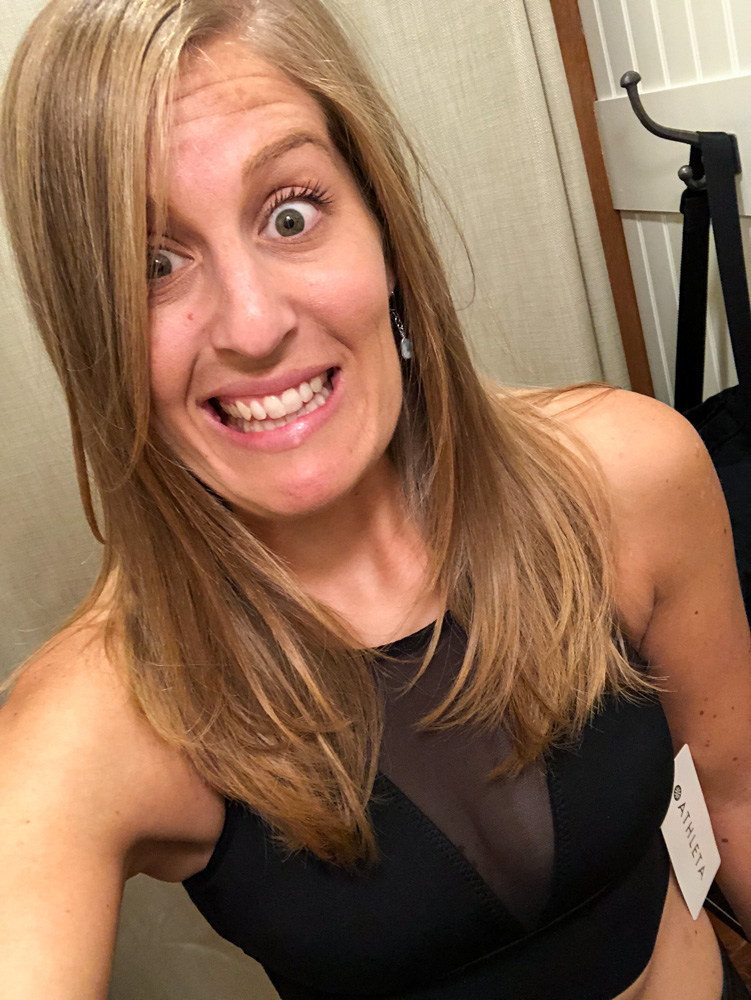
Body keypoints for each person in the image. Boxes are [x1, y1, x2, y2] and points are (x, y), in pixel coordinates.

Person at [0, 0, 750, 997]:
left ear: (384, 231)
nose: (254, 326)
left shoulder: (629, 477)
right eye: (152, 264)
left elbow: (735, 796)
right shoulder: (97, 717)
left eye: (290, 214)